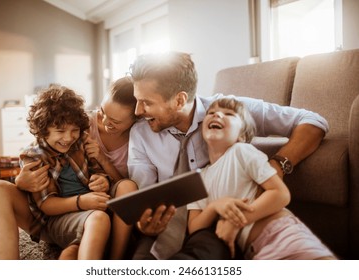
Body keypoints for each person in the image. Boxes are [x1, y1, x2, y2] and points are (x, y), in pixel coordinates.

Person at [127, 51, 329, 260]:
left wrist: (277, 165)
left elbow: (313, 121)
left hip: (217, 232)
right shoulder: (141, 133)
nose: (137, 111)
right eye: (136, 100)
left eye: (146, 102)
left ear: (179, 100)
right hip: (163, 235)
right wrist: (143, 223)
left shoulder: (226, 112)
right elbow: (144, 194)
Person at [0, 77, 137, 260]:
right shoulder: (77, 130)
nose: (69, 137)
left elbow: (103, 176)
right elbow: (45, 200)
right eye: (102, 112)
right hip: (66, 215)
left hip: (100, 212)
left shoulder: (85, 140)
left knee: (70, 254)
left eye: (115, 121)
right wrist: (19, 180)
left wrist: (102, 179)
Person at [187, 96, 336, 259]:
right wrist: (214, 206)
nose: (217, 115)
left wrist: (236, 222)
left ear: (242, 136)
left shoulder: (241, 151)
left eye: (229, 114)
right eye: (212, 112)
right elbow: (194, 228)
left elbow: (281, 194)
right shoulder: (198, 178)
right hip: (251, 252)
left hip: (280, 235)